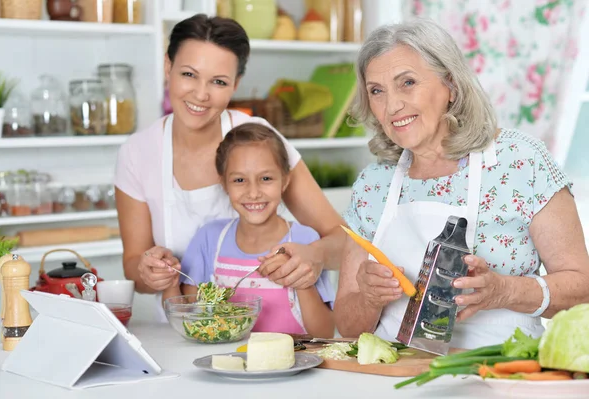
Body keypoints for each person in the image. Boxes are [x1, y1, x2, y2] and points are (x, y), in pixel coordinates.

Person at [334, 18, 589, 349]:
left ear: (450, 85)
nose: (392, 105)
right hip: (395, 372)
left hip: (502, 370)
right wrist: (369, 299)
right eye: (376, 91)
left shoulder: (520, 162)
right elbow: (346, 325)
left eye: (407, 82)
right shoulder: (374, 184)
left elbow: (582, 287)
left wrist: (505, 290)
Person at [114, 14, 345, 321]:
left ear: (236, 84)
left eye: (219, 82)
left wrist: (312, 257)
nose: (200, 94)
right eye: (188, 74)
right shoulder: (136, 153)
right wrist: (149, 272)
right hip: (182, 331)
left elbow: (342, 242)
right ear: (168, 67)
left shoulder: (258, 139)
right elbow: (133, 262)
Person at [163, 123, 335, 337]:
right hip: (228, 361)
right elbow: (191, 318)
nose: (253, 193)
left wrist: (298, 279)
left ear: (284, 181)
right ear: (224, 184)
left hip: (293, 360)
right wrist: (168, 279)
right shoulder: (209, 238)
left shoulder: (305, 239)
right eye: (239, 180)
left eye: (266, 179)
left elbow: (325, 333)